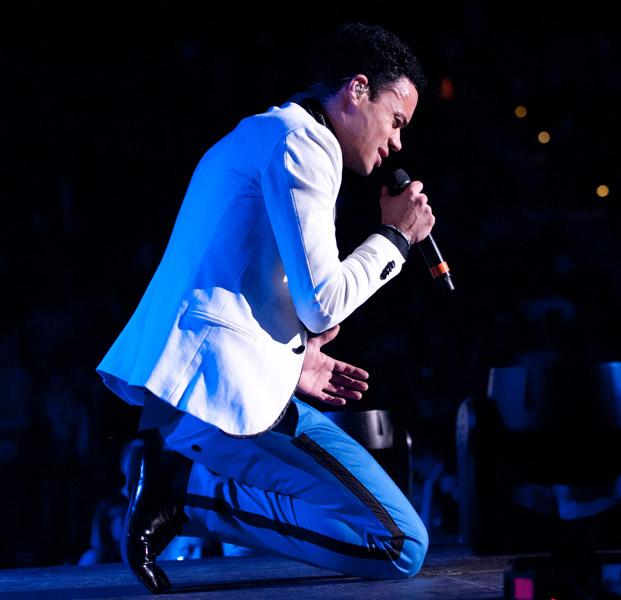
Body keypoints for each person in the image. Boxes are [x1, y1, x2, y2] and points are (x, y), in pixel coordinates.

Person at [96, 23, 432, 594]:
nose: (398, 142)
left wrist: (292, 361)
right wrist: (395, 238)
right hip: (215, 398)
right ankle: (188, 495)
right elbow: (324, 304)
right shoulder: (302, 145)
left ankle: (185, 490)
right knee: (400, 544)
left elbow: (232, 276)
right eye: (396, 120)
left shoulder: (266, 133)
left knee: (397, 537)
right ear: (356, 90)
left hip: (224, 389)